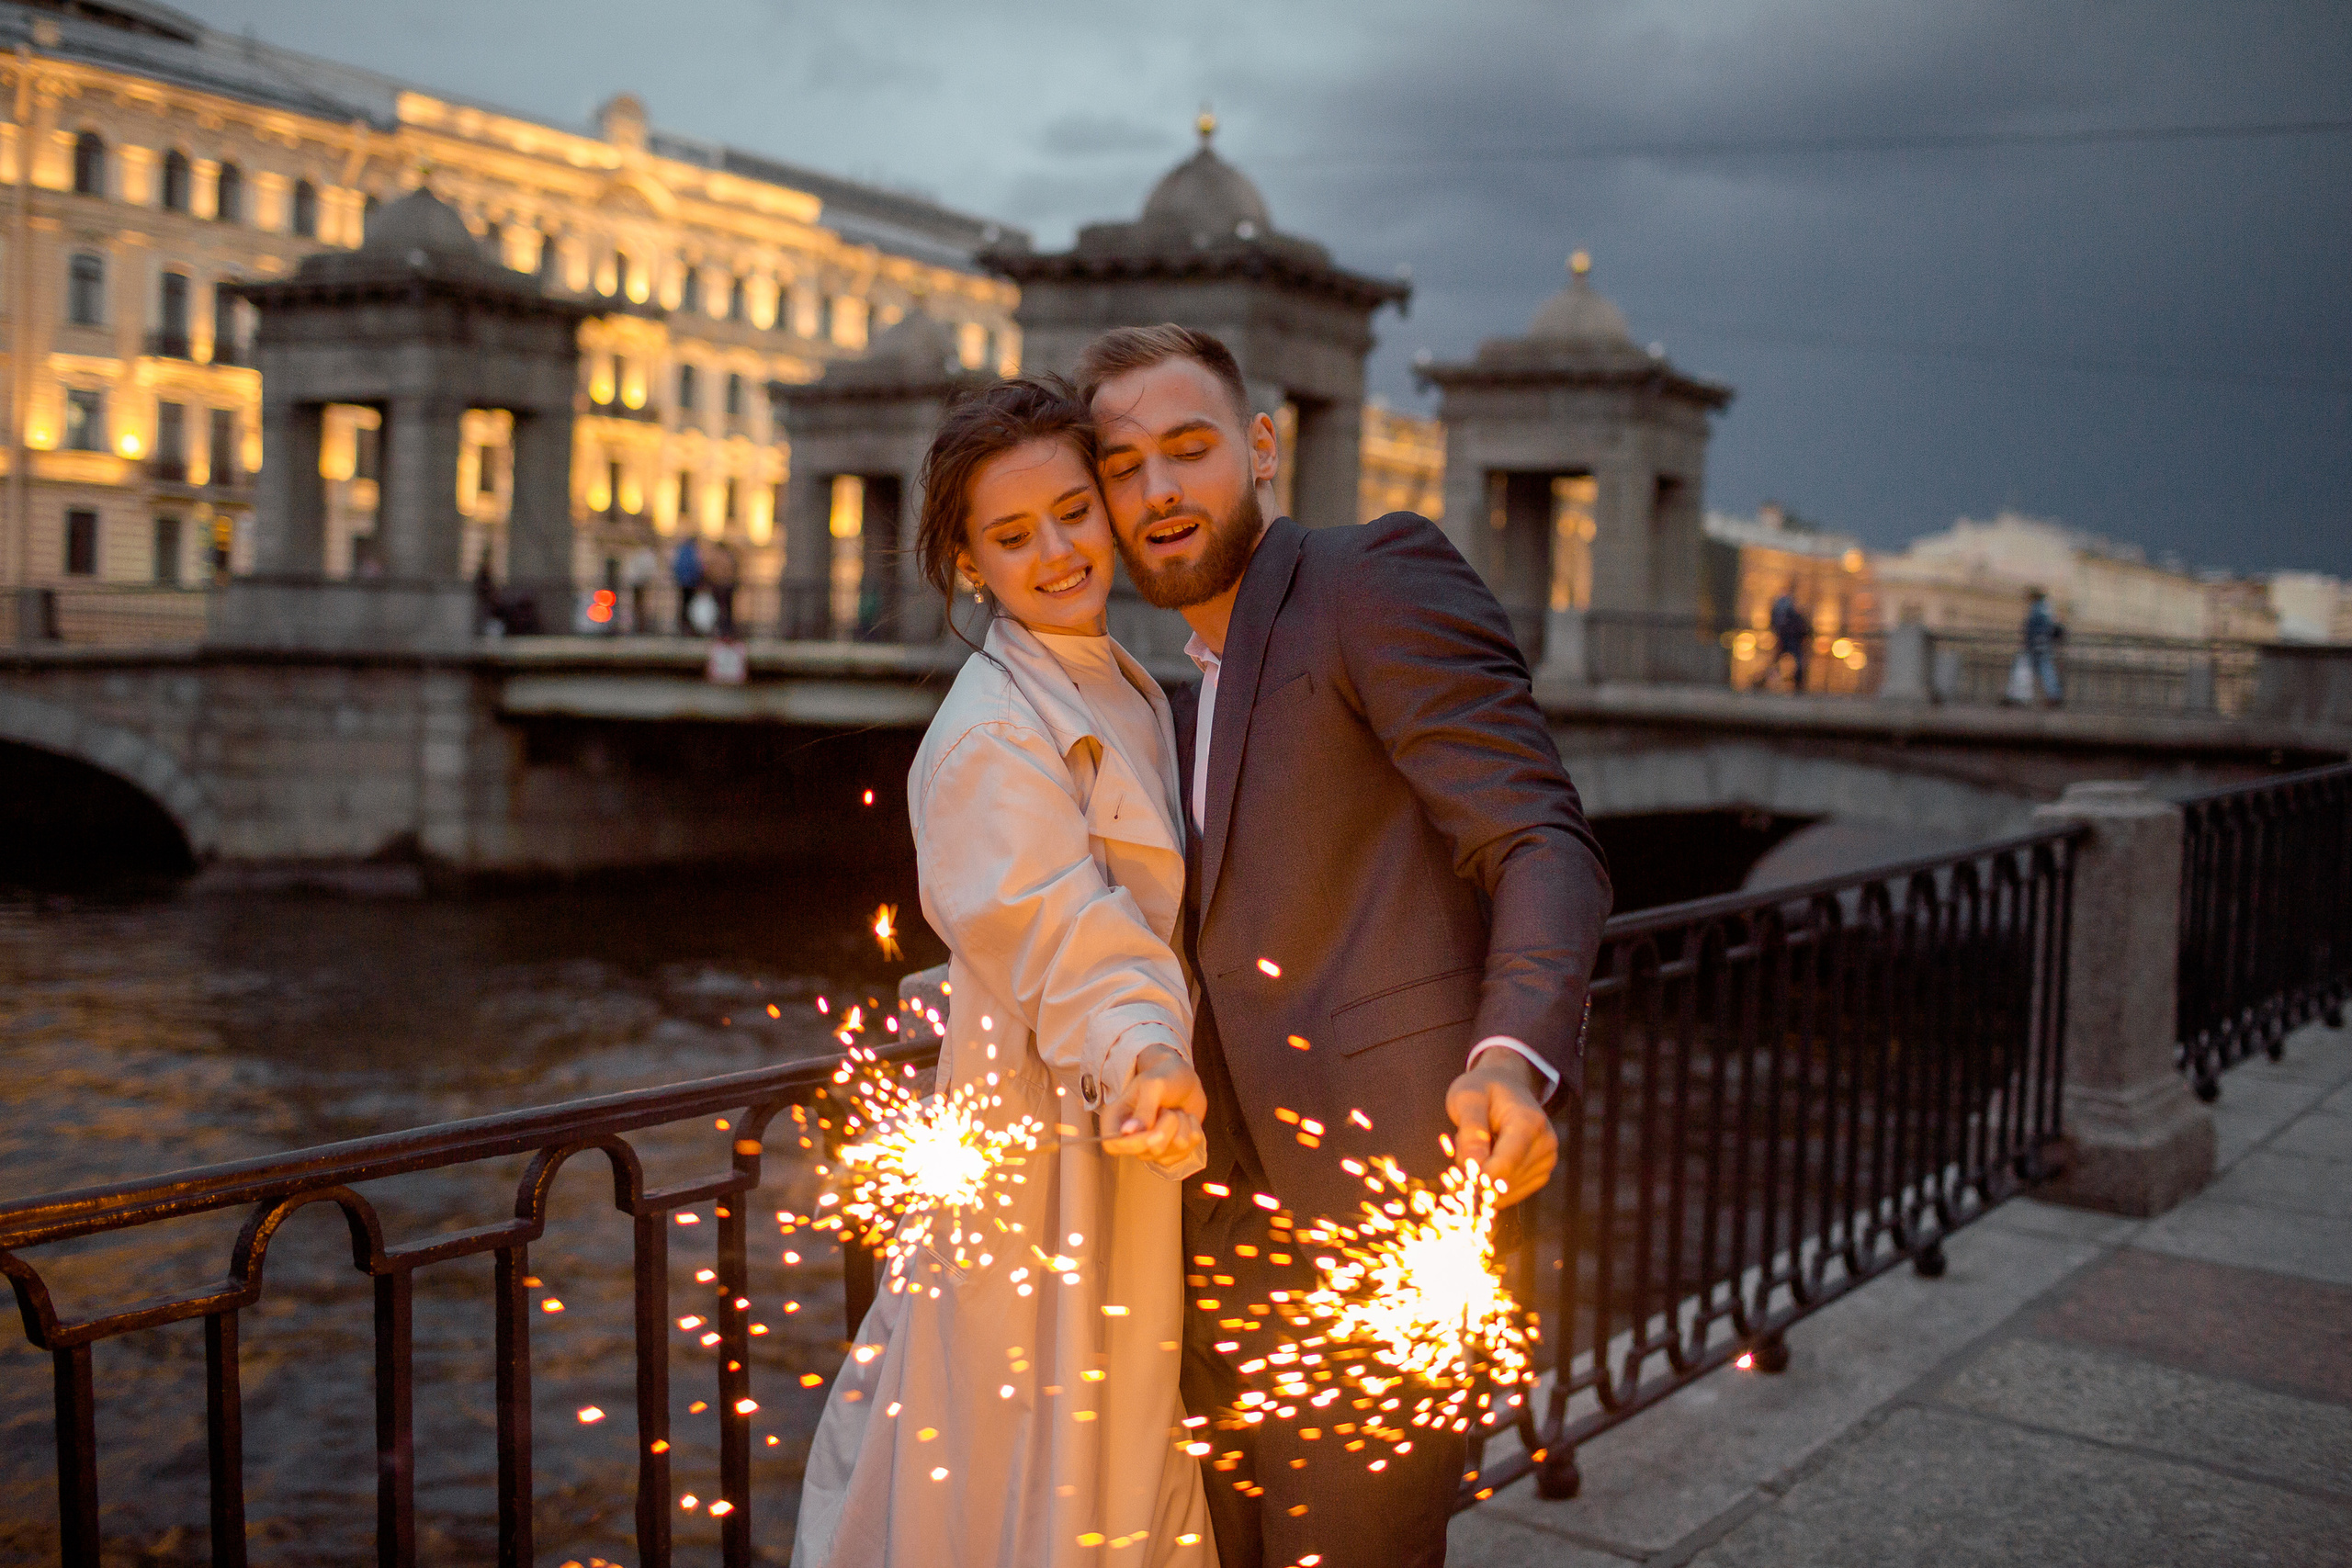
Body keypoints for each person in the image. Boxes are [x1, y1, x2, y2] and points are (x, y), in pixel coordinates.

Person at [1077, 325, 1613, 1568]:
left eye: (1190, 448)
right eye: (1123, 465)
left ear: (1262, 448)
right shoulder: (1178, 686)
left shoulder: (1372, 578)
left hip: (1376, 1230)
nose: (1157, 491)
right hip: (1210, 1244)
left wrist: (1511, 1055)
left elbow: (1541, 840)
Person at [792, 377, 1216, 1568]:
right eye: (1014, 536)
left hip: (1106, 1132)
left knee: (1066, 1469)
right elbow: (1055, 922)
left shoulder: (1108, 675)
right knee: (1042, 1481)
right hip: (1057, 1167)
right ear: (970, 563)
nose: (1058, 552)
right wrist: (1140, 1043)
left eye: (1074, 513)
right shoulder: (990, 730)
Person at [2019, 589, 2064, 705]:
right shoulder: (2045, 608)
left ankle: (2053, 695)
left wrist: (2034, 642)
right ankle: (2053, 695)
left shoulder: (2039, 609)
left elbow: (2038, 629)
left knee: (2041, 669)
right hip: (2041, 645)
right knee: (2044, 670)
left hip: (2038, 646)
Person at [1768, 589, 1811, 691]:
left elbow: (1803, 630)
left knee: (1796, 664)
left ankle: (1796, 684)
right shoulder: (1789, 616)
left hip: (1791, 642)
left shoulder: (1791, 617)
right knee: (1779, 663)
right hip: (1786, 642)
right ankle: (1771, 683)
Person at [704, 536, 741, 637]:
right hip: (726, 585)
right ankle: (725, 630)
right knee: (725, 609)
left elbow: (710, 570)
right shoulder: (729, 556)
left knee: (721, 609)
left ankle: (723, 629)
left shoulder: (717, 556)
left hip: (719, 585)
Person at [671, 534, 705, 635]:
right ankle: (688, 626)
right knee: (689, 606)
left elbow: (677, 565)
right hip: (690, 583)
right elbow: (696, 566)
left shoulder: (682, 550)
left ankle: (684, 626)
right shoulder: (691, 551)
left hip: (683, 582)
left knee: (684, 605)